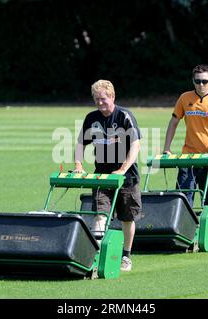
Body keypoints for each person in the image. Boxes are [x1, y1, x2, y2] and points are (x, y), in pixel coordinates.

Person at [74, 79, 142, 272]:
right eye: (96, 99)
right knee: (100, 214)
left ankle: (126, 256)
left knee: (127, 218)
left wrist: (123, 168)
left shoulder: (125, 116)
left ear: (112, 97)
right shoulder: (91, 118)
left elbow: (136, 145)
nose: (100, 103)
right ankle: (98, 255)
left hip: (127, 177)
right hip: (102, 176)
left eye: (103, 99)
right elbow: (81, 143)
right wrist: (78, 164)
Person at [163, 64, 208, 221]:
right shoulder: (184, 98)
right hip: (189, 157)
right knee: (183, 199)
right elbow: (173, 122)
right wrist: (167, 148)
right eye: (197, 81)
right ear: (192, 81)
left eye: (205, 81)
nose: (201, 85)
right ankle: (183, 231)